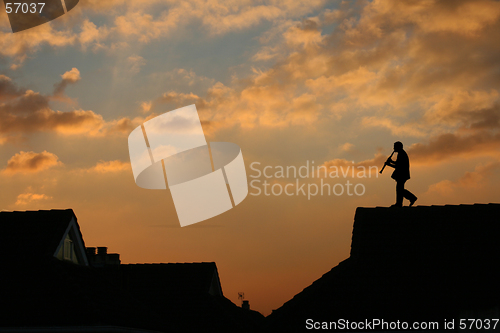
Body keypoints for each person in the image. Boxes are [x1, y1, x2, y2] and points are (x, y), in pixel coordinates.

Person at [384, 141, 417, 207]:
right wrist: (391, 162)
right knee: (400, 189)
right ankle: (408, 199)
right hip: (402, 174)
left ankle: (403, 202)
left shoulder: (401, 154)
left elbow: (398, 166)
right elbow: (397, 163)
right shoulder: (401, 154)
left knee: (399, 189)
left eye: (395, 147)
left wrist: (389, 164)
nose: (393, 149)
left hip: (402, 174)